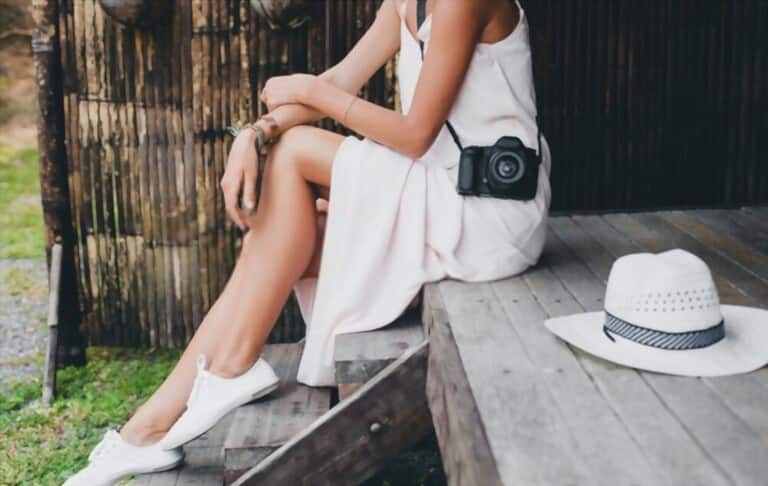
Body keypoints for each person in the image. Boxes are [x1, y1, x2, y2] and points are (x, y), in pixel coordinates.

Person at [63, 0, 551, 483]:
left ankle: (230, 368)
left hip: (487, 212)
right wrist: (255, 132)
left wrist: (308, 94)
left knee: (294, 155)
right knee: (277, 241)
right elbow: (341, 81)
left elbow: (414, 133)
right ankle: (148, 429)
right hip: (439, 193)